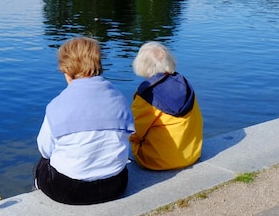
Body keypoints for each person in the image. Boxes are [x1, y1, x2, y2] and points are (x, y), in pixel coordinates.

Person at [35, 37, 134, 205]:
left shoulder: (58, 105)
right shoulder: (119, 98)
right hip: (116, 184)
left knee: (42, 165)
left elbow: (45, 149)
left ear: (66, 70)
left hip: (70, 190)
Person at [130, 42, 203, 171]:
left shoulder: (147, 94)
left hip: (157, 161)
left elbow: (135, 132)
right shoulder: (184, 83)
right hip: (191, 154)